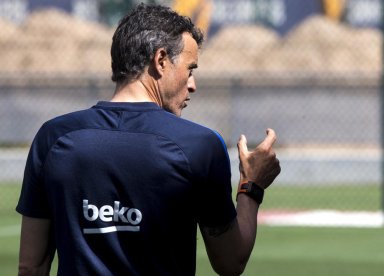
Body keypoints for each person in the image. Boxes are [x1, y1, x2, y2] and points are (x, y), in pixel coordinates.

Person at [16, 3, 281, 276]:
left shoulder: (53, 138)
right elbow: (230, 262)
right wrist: (251, 186)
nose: (193, 84)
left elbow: (31, 266)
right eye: (190, 69)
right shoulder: (199, 145)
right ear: (161, 60)